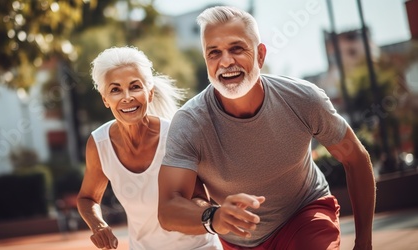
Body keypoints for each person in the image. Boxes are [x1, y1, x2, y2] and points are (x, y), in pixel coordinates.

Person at [157, 6, 376, 250]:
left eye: (236, 48)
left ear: (261, 55)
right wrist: (213, 217)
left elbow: (356, 158)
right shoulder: (189, 123)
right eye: (214, 53)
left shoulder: (303, 99)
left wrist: (364, 243)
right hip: (240, 241)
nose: (226, 61)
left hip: (305, 214)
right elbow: (168, 207)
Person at [76, 46, 222, 250]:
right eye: (115, 89)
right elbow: (87, 198)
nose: (126, 97)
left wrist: (212, 216)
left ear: (150, 93)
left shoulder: (175, 134)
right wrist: (98, 225)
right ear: (105, 99)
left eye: (135, 87)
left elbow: (199, 198)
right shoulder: (99, 144)